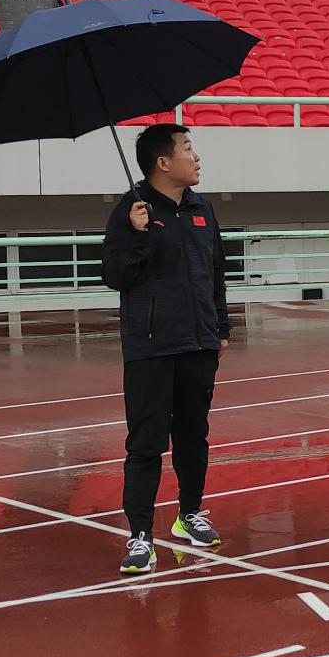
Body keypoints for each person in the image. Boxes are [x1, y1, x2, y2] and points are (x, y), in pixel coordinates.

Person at [101, 124, 230, 576]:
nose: (196, 157)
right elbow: (115, 274)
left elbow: (215, 272)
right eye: (188, 149)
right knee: (146, 444)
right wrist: (136, 234)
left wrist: (222, 327)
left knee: (194, 436)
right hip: (151, 346)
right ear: (162, 162)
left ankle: (188, 514)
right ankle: (139, 534)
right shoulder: (132, 209)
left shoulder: (201, 209)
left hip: (198, 341)